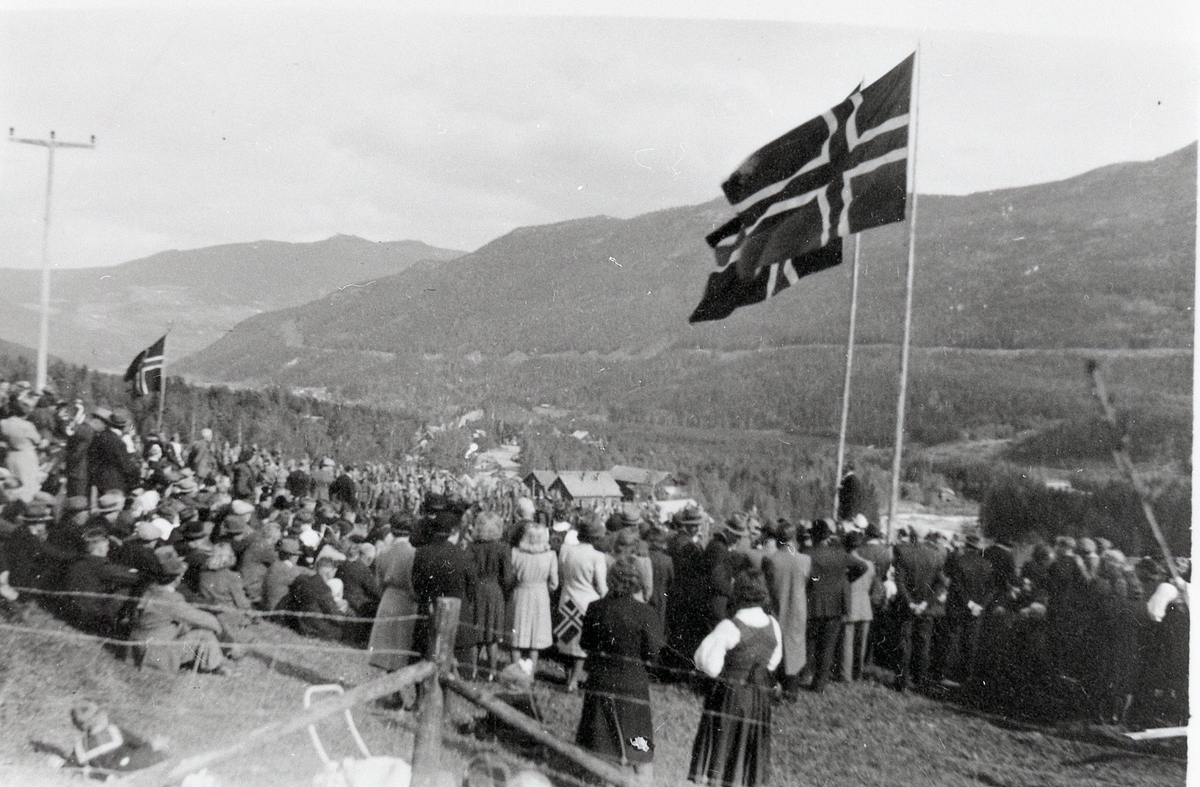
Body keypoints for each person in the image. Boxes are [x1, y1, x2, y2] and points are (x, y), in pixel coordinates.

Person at [688, 568, 782, 787]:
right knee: (748, 750)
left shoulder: (729, 626)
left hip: (730, 697)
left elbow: (709, 665)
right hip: (758, 698)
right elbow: (772, 663)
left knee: (724, 749)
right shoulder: (774, 625)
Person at [575, 556, 662, 785]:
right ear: (637, 582)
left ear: (610, 579)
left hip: (601, 679)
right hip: (633, 684)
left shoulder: (596, 608)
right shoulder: (646, 613)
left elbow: (585, 643)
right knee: (639, 743)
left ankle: (596, 778)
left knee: (599, 739)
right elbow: (653, 653)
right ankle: (641, 779)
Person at [131, 548, 228, 674]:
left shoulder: (149, 589)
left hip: (136, 649)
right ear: (177, 578)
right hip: (155, 655)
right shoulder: (172, 599)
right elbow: (205, 620)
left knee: (182, 626)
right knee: (205, 634)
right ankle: (217, 668)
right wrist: (219, 628)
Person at [557, 512, 608, 692]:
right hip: (587, 602)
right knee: (581, 646)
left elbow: (561, 578)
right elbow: (602, 587)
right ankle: (574, 681)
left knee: (567, 640)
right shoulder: (597, 556)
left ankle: (567, 677)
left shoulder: (565, 550)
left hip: (567, 598)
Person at [761, 519, 810, 699]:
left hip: (775, 606)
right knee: (795, 647)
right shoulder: (805, 560)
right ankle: (792, 689)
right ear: (794, 537)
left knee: (776, 646)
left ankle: (776, 687)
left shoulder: (770, 560)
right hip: (797, 609)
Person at [368, 513, 418, 671]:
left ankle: (391, 689)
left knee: (386, 645)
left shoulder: (383, 552)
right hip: (407, 599)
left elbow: (378, 582)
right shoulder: (413, 553)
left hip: (388, 598)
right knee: (401, 646)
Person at [508, 520, 558, 676]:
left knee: (517, 635)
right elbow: (554, 583)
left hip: (521, 592)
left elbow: (511, 577)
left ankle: (516, 671)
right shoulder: (550, 556)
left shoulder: (515, 553)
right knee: (535, 637)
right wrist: (544, 589)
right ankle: (531, 672)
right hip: (540, 595)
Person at [468, 511, 511, 680]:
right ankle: (492, 672)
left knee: (476, 633)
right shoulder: (503, 548)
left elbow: (469, 573)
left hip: (477, 590)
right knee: (492, 635)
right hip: (495, 590)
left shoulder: (472, 547)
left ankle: (472, 670)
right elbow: (507, 577)